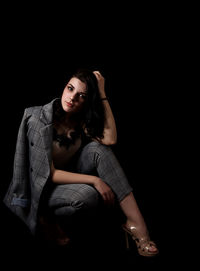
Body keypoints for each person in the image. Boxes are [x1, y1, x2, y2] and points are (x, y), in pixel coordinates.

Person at [3, 68, 159, 257]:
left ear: (87, 100)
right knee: (87, 195)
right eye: (70, 89)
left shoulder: (80, 122)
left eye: (81, 95)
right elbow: (48, 173)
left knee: (99, 150)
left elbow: (110, 139)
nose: (72, 98)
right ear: (64, 87)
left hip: (65, 182)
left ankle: (137, 226)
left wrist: (102, 93)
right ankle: (44, 219)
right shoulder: (38, 120)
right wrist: (95, 180)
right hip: (41, 189)